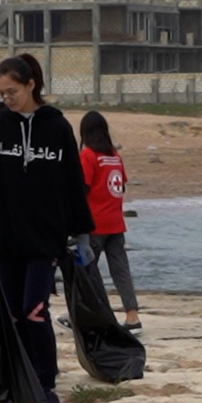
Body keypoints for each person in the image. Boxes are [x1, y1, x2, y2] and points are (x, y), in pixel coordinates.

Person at [0, 53, 94, 403]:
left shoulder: (57, 128)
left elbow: (73, 183)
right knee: (11, 314)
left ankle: (44, 382)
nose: (7, 99)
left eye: (12, 91)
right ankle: (16, 379)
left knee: (34, 310)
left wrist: (81, 236)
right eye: (1, 93)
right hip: (4, 237)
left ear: (31, 85)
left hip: (45, 238)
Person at [78, 111, 140, 332]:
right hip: (115, 222)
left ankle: (87, 315)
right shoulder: (114, 156)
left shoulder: (88, 156)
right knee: (121, 270)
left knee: (85, 272)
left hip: (95, 224)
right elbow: (120, 186)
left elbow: (82, 188)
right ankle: (132, 316)